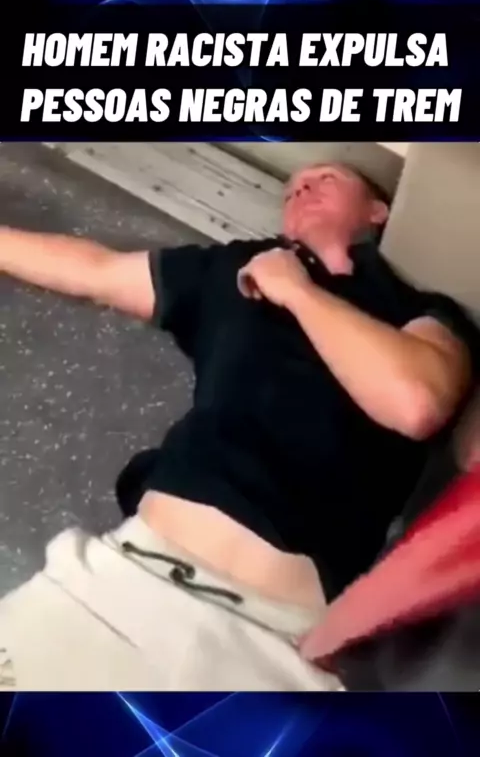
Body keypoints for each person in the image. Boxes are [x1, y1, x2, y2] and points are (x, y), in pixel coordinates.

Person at [0, 162, 478, 690]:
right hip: (112, 585)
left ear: (377, 211)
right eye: (292, 187)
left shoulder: (420, 313)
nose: (302, 186)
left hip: (268, 651)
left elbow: (416, 402)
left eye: (328, 178)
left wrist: (295, 290)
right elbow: (96, 272)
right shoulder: (230, 270)